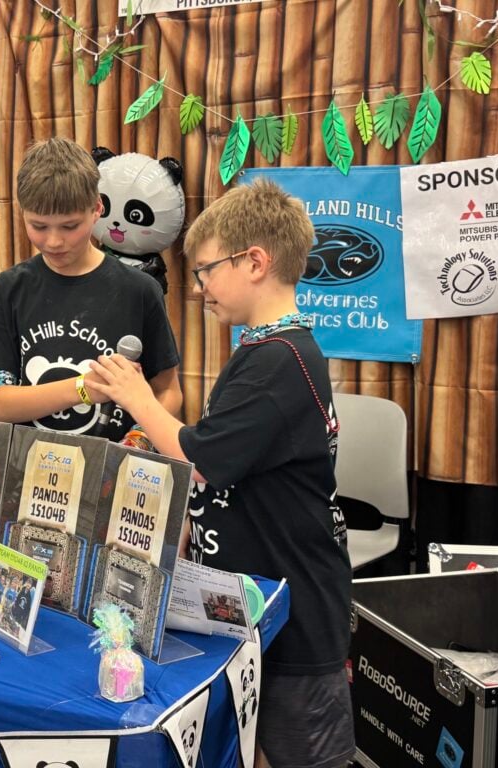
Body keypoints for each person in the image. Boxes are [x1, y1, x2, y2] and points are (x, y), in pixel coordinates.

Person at [83, 178, 354, 768]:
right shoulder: (264, 351)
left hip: (298, 621)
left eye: (206, 270)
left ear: (255, 261)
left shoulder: (278, 361)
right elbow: (218, 474)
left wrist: (137, 395)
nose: (200, 287)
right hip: (260, 608)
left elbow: (199, 456)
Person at [0, 136, 182, 442]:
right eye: (38, 226)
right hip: (27, 476)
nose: (54, 241)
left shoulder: (140, 290)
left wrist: (139, 439)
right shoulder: (6, 290)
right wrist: (82, 388)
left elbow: (168, 390)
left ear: (97, 208)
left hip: (112, 475)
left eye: (69, 226)